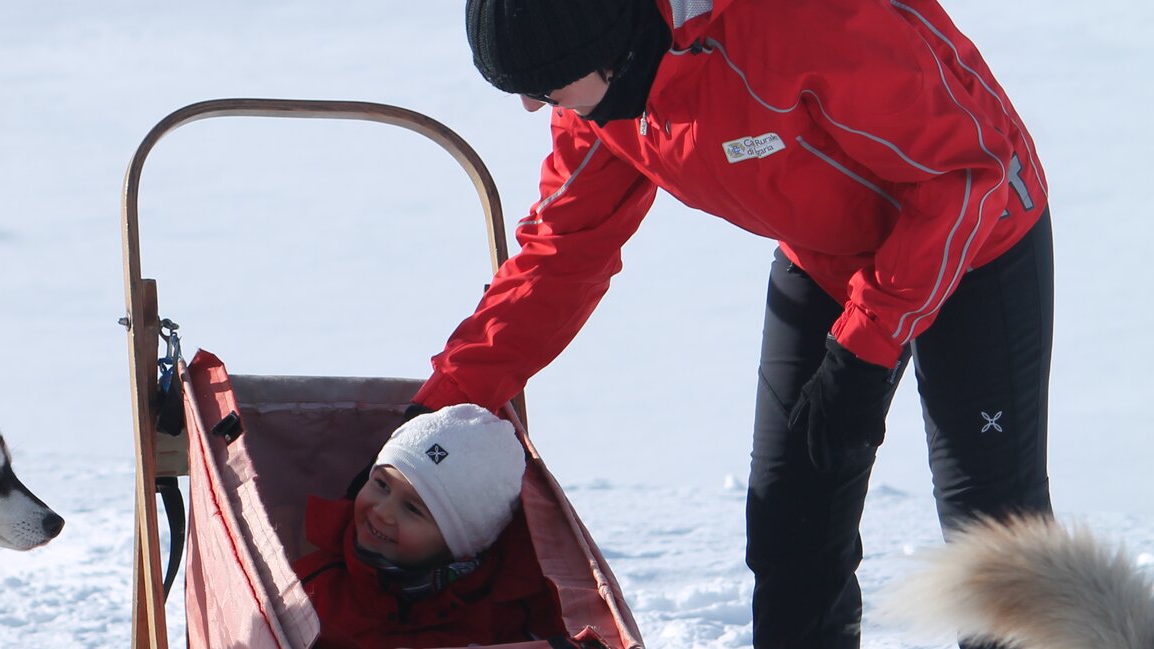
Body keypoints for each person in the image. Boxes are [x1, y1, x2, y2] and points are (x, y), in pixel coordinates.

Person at [429, 0, 1053, 647]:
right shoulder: (601, 103)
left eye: (540, 85)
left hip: (977, 241)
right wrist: (437, 405)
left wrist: (864, 351)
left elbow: (963, 175)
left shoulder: (799, 26)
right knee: (791, 526)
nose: (534, 106)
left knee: (993, 534)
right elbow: (562, 253)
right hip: (827, 255)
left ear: (602, 47)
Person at [293, 404, 565, 649]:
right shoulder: (312, 590)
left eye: (413, 509)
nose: (382, 512)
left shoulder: (508, 613)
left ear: (459, 542)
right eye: (381, 484)